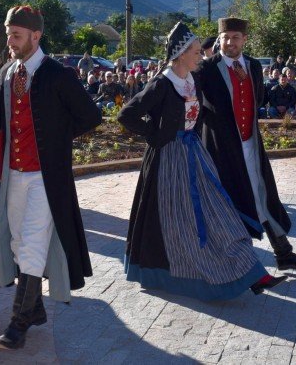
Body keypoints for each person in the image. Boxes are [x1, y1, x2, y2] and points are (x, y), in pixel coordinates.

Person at [118, 22, 286, 301]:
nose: (201, 55)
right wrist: (157, 134)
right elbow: (127, 114)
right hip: (167, 161)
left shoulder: (191, 80)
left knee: (222, 212)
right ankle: (177, 272)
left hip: (194, 154)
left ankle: (252, 273)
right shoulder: (162, 83)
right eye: (197, 51)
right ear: (182, 54)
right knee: (180, 221)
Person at [0, 5, 102, 350]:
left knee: (33, 243)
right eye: (8, 34)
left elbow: (90, 116)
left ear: (36, 36)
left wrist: (57, 137)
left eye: (16, 35)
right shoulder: (7, 71)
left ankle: (18, 323)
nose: (10, 41)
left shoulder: (58, 74)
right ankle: (34, 310)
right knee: (18, 243)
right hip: (13, 174)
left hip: (45, 178)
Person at [197, 17, 296, 271]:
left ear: (244, 40)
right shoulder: (206, 69)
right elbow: (195, 105)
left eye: (235, 37)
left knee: (262, 195)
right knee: (233, 201)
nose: (229, 42)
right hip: (222, 150)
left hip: (250, 144)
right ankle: (241, 262)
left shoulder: (251, 66)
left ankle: (283, 253)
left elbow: (258, 98)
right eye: (225, 37)